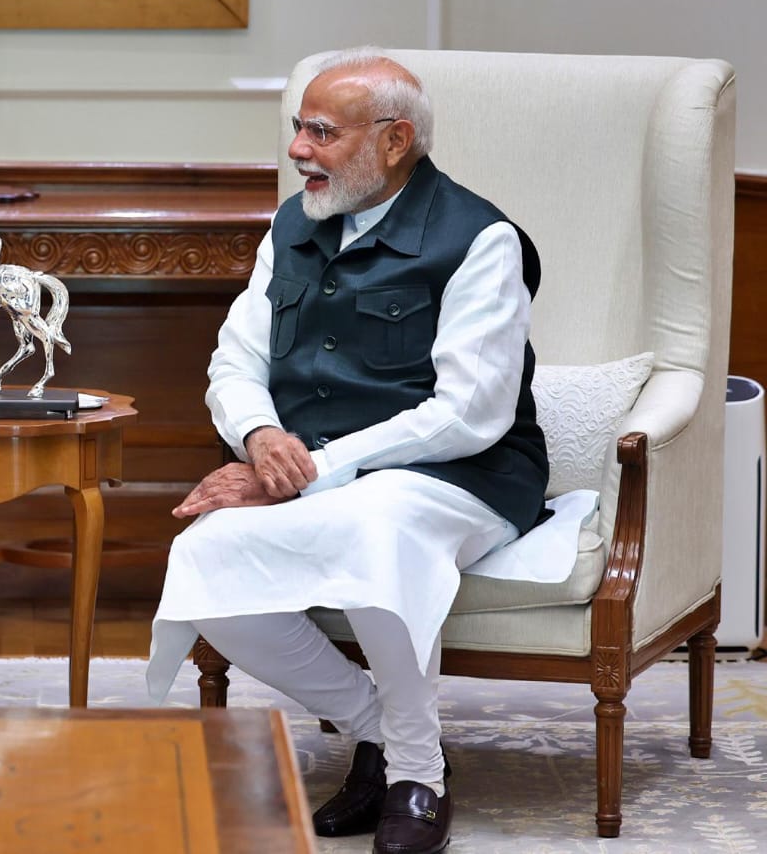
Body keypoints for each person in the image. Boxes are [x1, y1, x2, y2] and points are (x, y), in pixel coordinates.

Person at [145, 48, 585, 854]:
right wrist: (262, 438)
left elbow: (469, 415)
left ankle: (419, 776)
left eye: (322, 132)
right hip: (323, 474)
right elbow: (236, 359)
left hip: (464, 476)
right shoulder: (292, 225)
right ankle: (377, 732)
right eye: (299, 128)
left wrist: (309, 470)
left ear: (394, 141)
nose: (298, 150)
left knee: (380, 523)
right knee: (206, 554)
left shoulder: (480, 239)